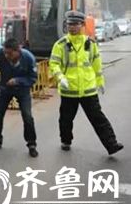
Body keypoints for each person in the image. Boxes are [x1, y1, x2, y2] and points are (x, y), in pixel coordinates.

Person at [49, 11, 123, 155]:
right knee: (66, 119)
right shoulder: (61, 44)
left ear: (82, 25)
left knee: (98, 118)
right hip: (69, 90)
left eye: (75, 24)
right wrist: (60, 78)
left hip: (89, 90)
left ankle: (111, 144)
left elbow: (96, 64)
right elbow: (54, 64)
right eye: (70, 24)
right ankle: (66, 140)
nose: (72, 27)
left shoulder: (90, 44)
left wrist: (100, 81)